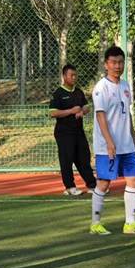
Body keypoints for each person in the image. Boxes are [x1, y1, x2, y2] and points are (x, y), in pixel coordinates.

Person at [90, 45, 135, 236]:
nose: (118, 66)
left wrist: (133, 135)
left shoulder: (125, 86)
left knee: (133, 179)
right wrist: (109, 142)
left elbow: (128, 114)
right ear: (106, 64)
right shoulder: (101, 88)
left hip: (126, 145)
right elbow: (100, 116)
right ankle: (95, 224)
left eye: (120, 62)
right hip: (107, 146)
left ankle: (130, 224)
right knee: (104, 183)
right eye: (114, 62)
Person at [49, 64, 97, 196]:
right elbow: (53, 113)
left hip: (78, 131)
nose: (74, 77)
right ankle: (70, 187)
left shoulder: (79, 92)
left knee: (84, 157)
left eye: (75, 75)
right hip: (64, 132)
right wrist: (71, 111)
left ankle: (92, 185)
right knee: (67, 159)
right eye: (71, 75)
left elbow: (86, 107)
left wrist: (82, 111)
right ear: (64, 76)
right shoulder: (58, 93)